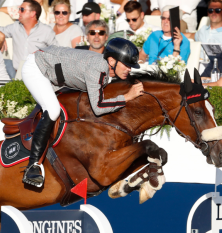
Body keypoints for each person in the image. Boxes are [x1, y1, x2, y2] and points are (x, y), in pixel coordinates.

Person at [19, 38, 144, 187]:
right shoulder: (97, 68)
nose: (129, 69)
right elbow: (98, 107)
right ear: (111, 61)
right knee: (52, 110)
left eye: (131, 66)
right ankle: (33, 166)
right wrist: (127, 97)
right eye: (127, 65)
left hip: (51, 70)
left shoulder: (104, 68)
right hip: (37, 68)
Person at [0, 0, 57, 77]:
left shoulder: (46, 31)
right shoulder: (15, 26)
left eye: (22, 9)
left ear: (32, 13)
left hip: (38, 75)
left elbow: (57, 53)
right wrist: (1, 36)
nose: (18, 12)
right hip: (16, 75)